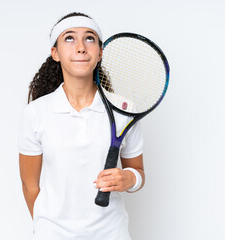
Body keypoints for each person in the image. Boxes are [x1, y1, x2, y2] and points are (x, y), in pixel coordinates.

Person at [18, 12, 145, 240]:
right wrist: (46, 227)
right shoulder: (35, 112)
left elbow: (139, 173)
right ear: (55, 53)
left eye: (89, 38)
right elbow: (29, 185)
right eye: (69, 38)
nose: (80, 47)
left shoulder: (124, 108)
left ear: (100, 53)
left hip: (112, 233)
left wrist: (130, 179)